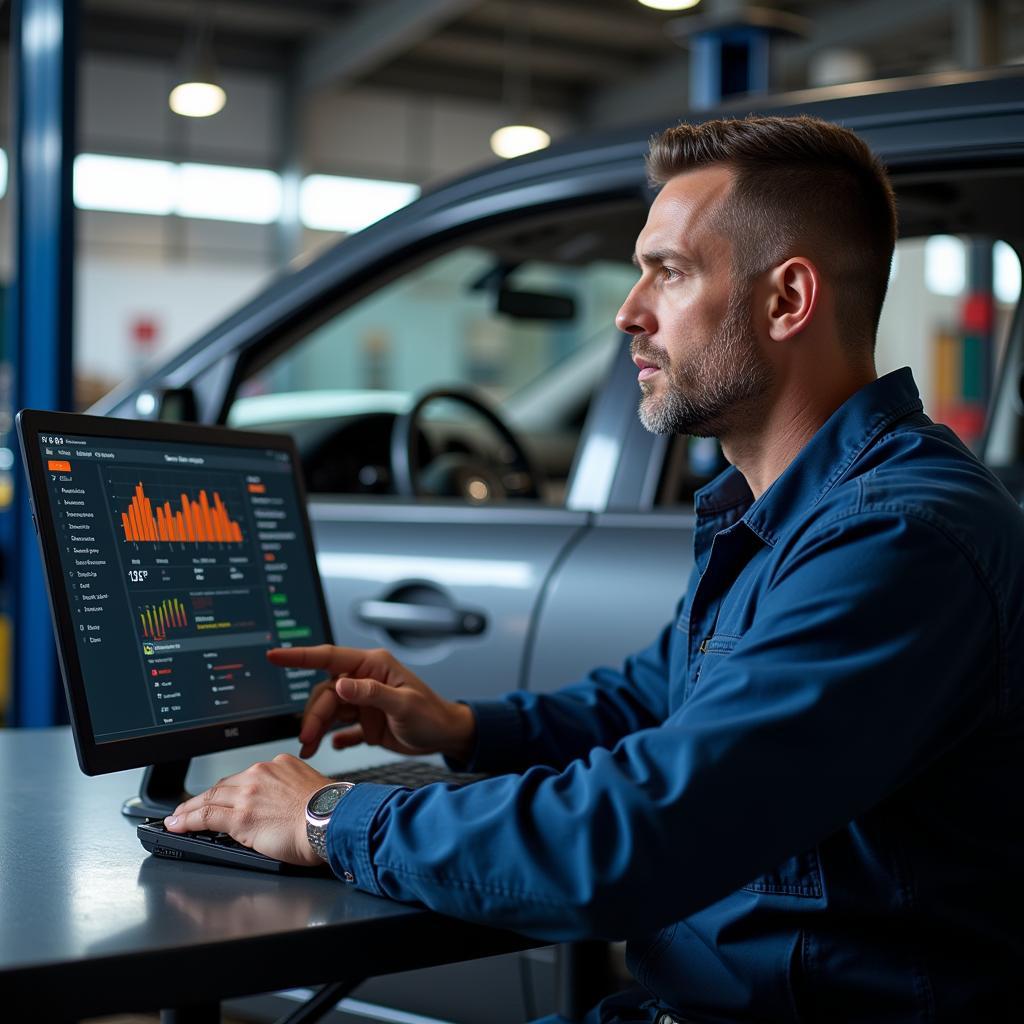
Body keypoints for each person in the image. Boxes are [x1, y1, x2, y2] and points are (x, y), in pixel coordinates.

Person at [164, 115, 1024, 1022]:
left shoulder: (895, 541)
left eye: (671, 270)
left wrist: (329, 818)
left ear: (787, 301)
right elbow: (648, 701)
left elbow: (635, 836)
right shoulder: (795, 513)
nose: (629, 311)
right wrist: (459, 727)